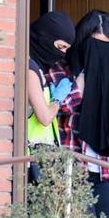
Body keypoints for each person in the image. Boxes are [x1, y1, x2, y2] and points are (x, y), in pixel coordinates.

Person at [67, 10, 109, 218]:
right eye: (95, 48)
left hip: (107, 169)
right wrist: (81, 87)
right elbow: (59, 110)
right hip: (75, 167)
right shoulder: (66, 73)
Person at [27, 11, 75, 182]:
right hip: (31, 162)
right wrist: (57, 100)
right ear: (45, 37)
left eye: (66, 50)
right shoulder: (30, 70)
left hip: (40, 159)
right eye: (60, 47)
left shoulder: (38, 69)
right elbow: (45, 118)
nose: (62, 54)